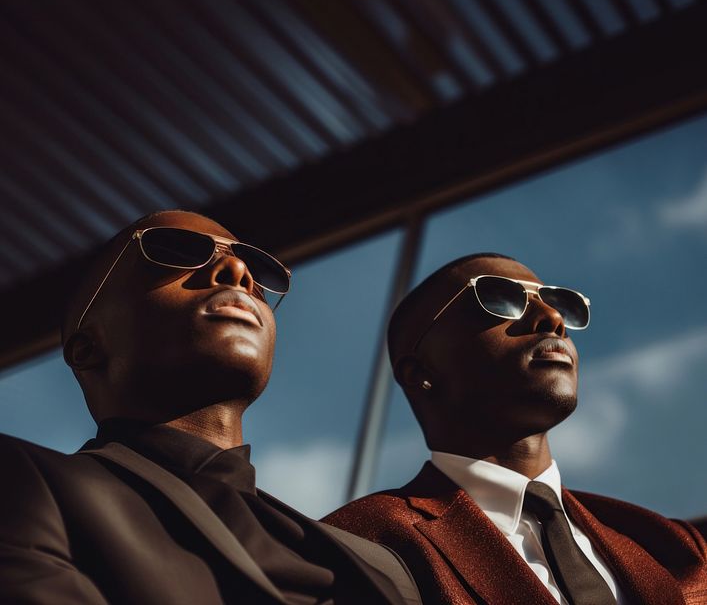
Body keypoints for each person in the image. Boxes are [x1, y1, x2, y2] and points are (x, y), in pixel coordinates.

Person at [0, 210, 420, 605]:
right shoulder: (21, 483)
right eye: (175, 252)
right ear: (87, 349)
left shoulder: (385, 568)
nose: (239, 272)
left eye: (257, 271)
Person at [325, 252, 707, 605]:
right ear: (420, 372)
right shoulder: (361, 542)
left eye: (560, 305)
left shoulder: (671, 545)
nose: (552, 319)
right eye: (499, 298)